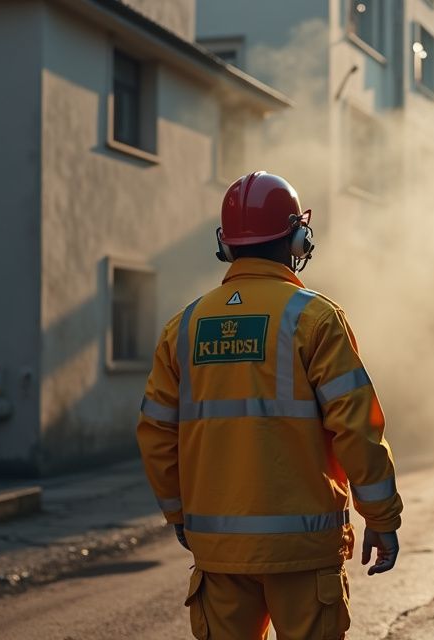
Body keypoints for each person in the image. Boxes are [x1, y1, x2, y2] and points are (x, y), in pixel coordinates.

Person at [137, 171, 403, 640]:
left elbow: (156, 433)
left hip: (220, 553)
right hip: (304, 552)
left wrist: (180, 516)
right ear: (297, 238)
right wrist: (381, 519)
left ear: (226, 245)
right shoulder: (315, 319)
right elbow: (357, 429)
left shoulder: (185, 326)